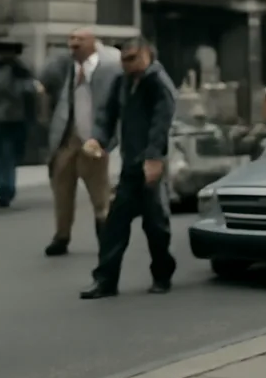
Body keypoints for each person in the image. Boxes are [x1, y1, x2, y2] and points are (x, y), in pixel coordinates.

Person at [79, 36, 178, 300]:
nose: (128, 64)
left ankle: (162, 274)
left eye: (133, 58)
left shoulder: (158, 83)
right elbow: (107, 115)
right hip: (130, 166)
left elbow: (161, 123)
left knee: (156, 225)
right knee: (115, 225)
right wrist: (97, 139)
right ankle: (105, 281)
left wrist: (154, 158)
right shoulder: (121, 82)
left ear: (148, 55)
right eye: (124, 59)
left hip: (151, 165)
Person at [40, 29, 121, 256]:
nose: (74, 44)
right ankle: (61, 235)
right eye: (72, 39)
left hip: (94, 139)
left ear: (93, 43)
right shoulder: (64, 66)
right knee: (62, 191)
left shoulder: (108, 66)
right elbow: (44, 86)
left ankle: (105, 235)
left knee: (99, 192)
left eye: (80, 39)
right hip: (67, 138)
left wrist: (108, 138)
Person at [0, 37, 37, 208]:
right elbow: (1, 88)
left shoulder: (22, 68)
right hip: (3, 117)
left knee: (15, 153)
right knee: (5, 154)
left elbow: (31, 90)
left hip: (20, 117)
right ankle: (5, 189)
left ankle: (6, 187)